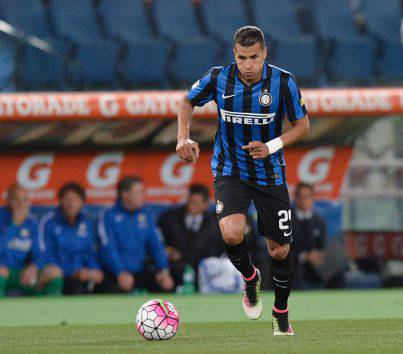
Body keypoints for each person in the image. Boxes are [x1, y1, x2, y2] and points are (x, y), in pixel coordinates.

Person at [177, 26, 310, 335]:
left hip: (270, 174)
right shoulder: (218, 77)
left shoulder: (283, 82)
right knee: (232, 232)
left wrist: (272, 146)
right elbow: (187, 101)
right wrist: (182, 138)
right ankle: (250, 279)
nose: (247, 65)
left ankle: (281, 312)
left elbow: (303, 126)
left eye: (253, 57)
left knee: (279, 250)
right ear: (233, 55)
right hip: (230, 170)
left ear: (264, 54)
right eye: (241, 58)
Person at [98, 176, 174, 293]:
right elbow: (107, 247)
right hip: (114, 272)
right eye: (139, 192)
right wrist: (120, 272)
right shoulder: (108, 216)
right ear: (125, 194)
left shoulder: (146, 214)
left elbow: (156, 245)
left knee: (165, 283)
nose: (143, 196)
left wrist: (163, 270)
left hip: (140, 270)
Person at [38, 182, 103, 295]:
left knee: (105, 283)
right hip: (60, 275)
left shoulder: (87, 223)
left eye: (75, 199)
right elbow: (44, 255)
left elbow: (90, 253)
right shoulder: (48, 222)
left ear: (82, 203)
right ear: (60, 201)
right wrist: (72, 272)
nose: (71, 203)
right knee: (73, 287)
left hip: (82, 275)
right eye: (67, 199)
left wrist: (94, 270)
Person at [158, 184, 220, 287]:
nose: (191, 206)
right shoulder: (170, 218)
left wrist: (181, 256)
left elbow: (213, 253)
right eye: (190, 202)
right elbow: (158, 242)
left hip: (204, 272)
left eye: (196, 203)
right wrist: (166, 249)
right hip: (175, 269)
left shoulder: (214, 224)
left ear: (206, 204)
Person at [0, 184, 42, 296]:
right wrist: (14, 224)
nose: (21, 204)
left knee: (52, 273)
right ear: (7, 200)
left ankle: (45, 312)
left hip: (21, 272)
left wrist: (34, 266)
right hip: (3, 271)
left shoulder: (31, 222)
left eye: (24, 200)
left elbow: (39, 252)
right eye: (16, 200)